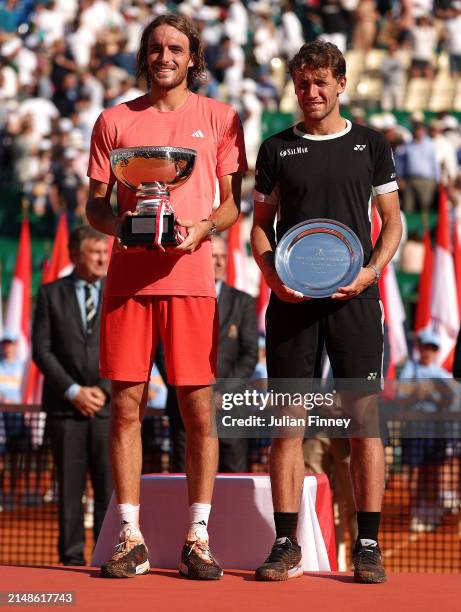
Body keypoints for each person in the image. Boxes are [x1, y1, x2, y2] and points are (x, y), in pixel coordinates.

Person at [85, 14, 246, 579]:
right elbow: (94, 206)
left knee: (197, 410)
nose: (164, 57)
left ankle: (197, 537)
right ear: (143, 55)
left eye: (175, 48)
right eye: (155, 48)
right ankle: (130, 534)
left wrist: (199, 230)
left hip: (192, 282)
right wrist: (125, 227)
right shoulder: (112, 120)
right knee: (125, 407)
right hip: (129, 283)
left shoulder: (221, 118)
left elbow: (231, 206)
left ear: (192, 56)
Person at [250, 40, 402, 583]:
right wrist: (273, 278)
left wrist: (370, 272)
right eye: (301, 84)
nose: (310, 93)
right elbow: (259, 230)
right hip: (291, 302)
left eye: (320, 83)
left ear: (340, 84)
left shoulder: (371, 145)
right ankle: (285, 542)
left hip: (355, 298)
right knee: (286, 424)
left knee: (364, 422)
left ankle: (367, 543)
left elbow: (392, 220)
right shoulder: (274, 149)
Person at [32, 225, 113, 566]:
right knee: (69, 491)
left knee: (110, 492)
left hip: (108, 412)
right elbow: (42, 349)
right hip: (65, 412)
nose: (101, 258)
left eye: (104, 252)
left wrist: (104, 392)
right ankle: (71, 560)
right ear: (74, 256)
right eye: (94, 252)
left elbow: (132, 346)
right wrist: (73, 391)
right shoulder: (51, 294)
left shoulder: (117, 292)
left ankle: (110, 555)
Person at [167, 234, 258, 473]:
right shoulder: (178, 299)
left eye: (222, 257)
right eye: (212, 256)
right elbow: (163, 349)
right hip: (185, 404)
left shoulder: (244, 302)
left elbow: (249, 355)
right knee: (185, 474)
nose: (218, 262)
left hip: (229, 406)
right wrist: (194, 393)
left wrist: (220, 393)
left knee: (232, 477)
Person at [398, 329, 458, 532]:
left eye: (432, 348)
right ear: (420, 348)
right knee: (415, 470)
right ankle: (417, 510)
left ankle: (432, 511)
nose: (428, 352)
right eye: (425, 347)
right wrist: (418, 392)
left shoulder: (443, 374)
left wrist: (435, 394)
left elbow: (452, 402)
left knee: (434, 469)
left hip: (436, 427)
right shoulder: (409, 369)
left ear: (436, 351)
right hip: (414, 426)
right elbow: (401, 395)